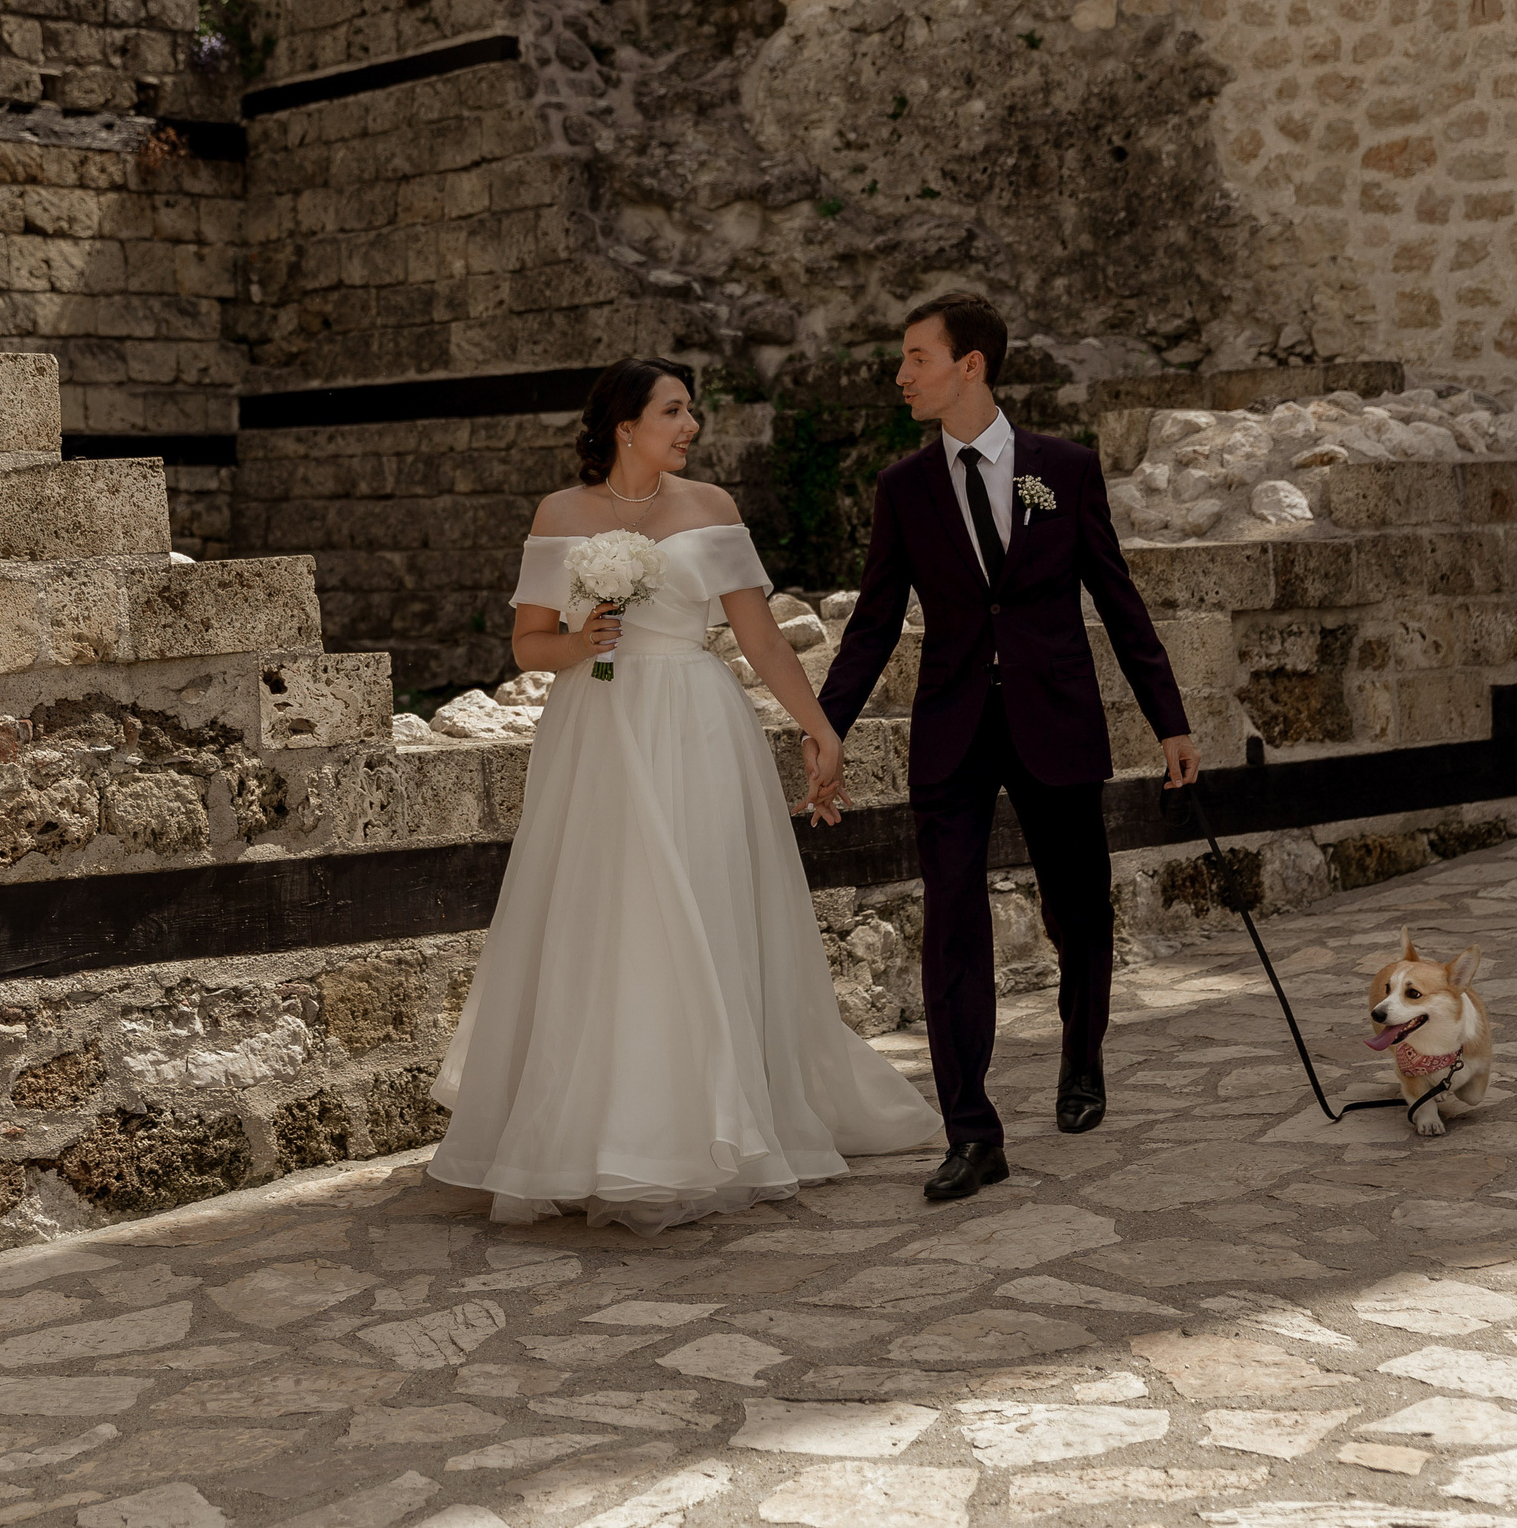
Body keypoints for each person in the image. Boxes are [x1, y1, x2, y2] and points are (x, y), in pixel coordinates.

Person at [427, 358, 943, 1232]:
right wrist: (582, 642)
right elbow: (528, 644)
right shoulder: (560, 514)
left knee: (701, 905)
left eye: (690, 410)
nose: (691, 425)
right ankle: (598, 1128)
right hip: (597, 731)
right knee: (609, 913)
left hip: (699, 727)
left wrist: (821, 729)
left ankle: (714, 1120)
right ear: (625, 425)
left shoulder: (712, 507)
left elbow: (764, 641)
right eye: (674, 410)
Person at [812, 292, 1198, 1203]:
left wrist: (1170, 719)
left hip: (1055, 721)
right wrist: (827, 728)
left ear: (970, 364)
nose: (901, 375)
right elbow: (873, 624)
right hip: (951, 731)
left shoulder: (1064, 469)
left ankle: (1082, 1056)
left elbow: (1117, 599)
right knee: (951, 925)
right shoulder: (903, 488)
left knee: (1079, 909)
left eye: (916, 357)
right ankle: (972, 1131)